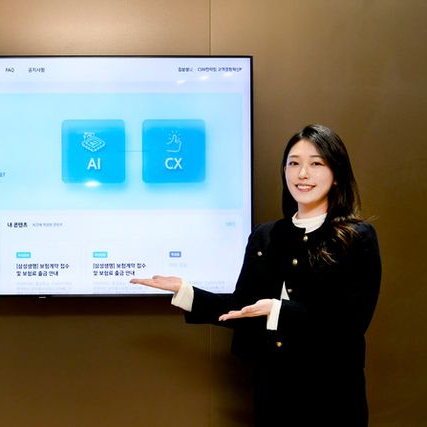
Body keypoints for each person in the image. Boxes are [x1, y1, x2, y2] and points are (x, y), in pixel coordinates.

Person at [131, 124, 381, 427]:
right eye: (294, 163)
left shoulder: (356, 237)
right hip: (274, 394)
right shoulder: (266, 235)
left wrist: (277, 310)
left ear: (336, 173)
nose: (302, 174)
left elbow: (350, 323)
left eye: (316, 164)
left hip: (334, 396)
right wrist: (186, 291)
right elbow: (243, 308)